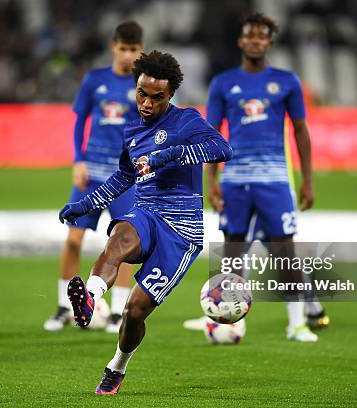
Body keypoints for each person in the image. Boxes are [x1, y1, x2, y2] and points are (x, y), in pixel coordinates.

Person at [59, 50, 232, 395]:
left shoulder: (187, 120)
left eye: (157, 97)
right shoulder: (133, 129)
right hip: (147, 212)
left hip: (182, 231)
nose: (147, 104)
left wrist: (172, 154)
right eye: (142, 94)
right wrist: (86, 204)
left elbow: (222, 148)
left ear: (170, 96)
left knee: (134, 311)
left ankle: (117, 365)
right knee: (119, 238)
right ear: (135, 88)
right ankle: (90, 299)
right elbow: (125, 175)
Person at [183, 12, 329, 341]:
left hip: (275, 179)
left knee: (284, 252)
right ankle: (230, 320)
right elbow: (212, 135)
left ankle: (297, 324)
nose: (255, 40)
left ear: (269, 42)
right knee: (233, 251)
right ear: (240, 40)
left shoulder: (287, 81)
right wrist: (212, 182)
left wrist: (307, 181)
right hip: (234, 180)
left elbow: (301, 132)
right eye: (249, 35)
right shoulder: (222, 83)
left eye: (261, 36)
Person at [44, 22, 143, 334]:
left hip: (124, 176)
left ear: (140, 50)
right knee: (73, 239)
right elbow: (79, 122)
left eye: (134, 49)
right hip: (92, 173)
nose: (128, 54)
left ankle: (118, 312)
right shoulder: (95, 80)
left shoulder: (144, 84)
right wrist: (78, 159)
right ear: (113, 46)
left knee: (125, 242)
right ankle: (63, 307)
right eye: (123, 48)